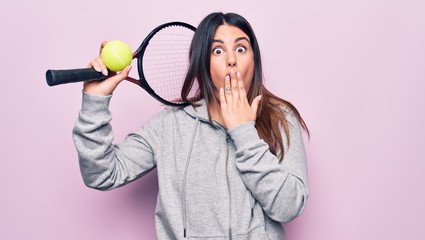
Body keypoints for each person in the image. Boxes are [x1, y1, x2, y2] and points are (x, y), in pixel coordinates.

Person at [72, 12, 310, 239]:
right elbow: (102, 174)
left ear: (254, 59)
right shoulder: (170, 125)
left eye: (241, 48)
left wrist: (243, 131)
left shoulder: (281, 118)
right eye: (217, 50)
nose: (231, 60)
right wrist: (94, 101)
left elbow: (288, 207)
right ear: (202, 63)